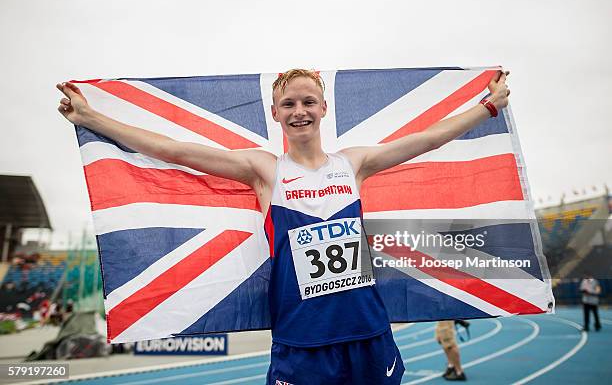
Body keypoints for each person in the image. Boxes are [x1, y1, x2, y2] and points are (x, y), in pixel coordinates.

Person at [56, 68, 509, 384]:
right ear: (275, 113)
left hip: (368, 329)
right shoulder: (265, 170)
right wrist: (92, 117)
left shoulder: (354, 163)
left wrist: (487, 108)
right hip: (302, 338)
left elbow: (425, 139)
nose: (299, 111)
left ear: (323, 107)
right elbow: (176, 151)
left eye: (308, 101)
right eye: (288, 103)